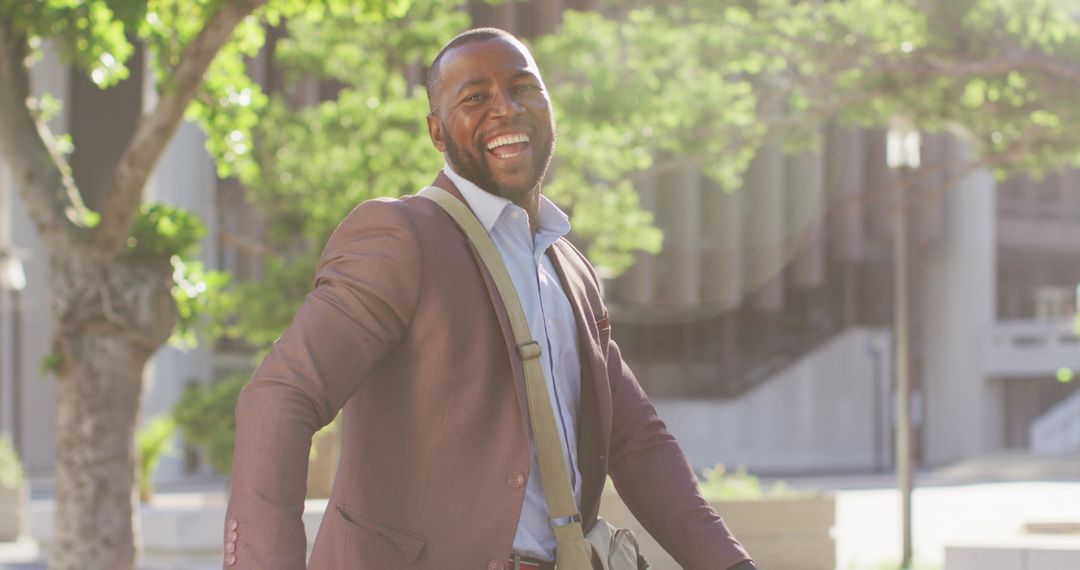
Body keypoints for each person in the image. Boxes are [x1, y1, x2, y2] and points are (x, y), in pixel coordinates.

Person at [224, 27, 755, 570]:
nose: (505, 108)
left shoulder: (569, 267)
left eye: (524, 88)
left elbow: (636, 442)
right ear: (437, 132)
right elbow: (281, 395)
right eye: (475, 98)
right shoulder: (400, 237)